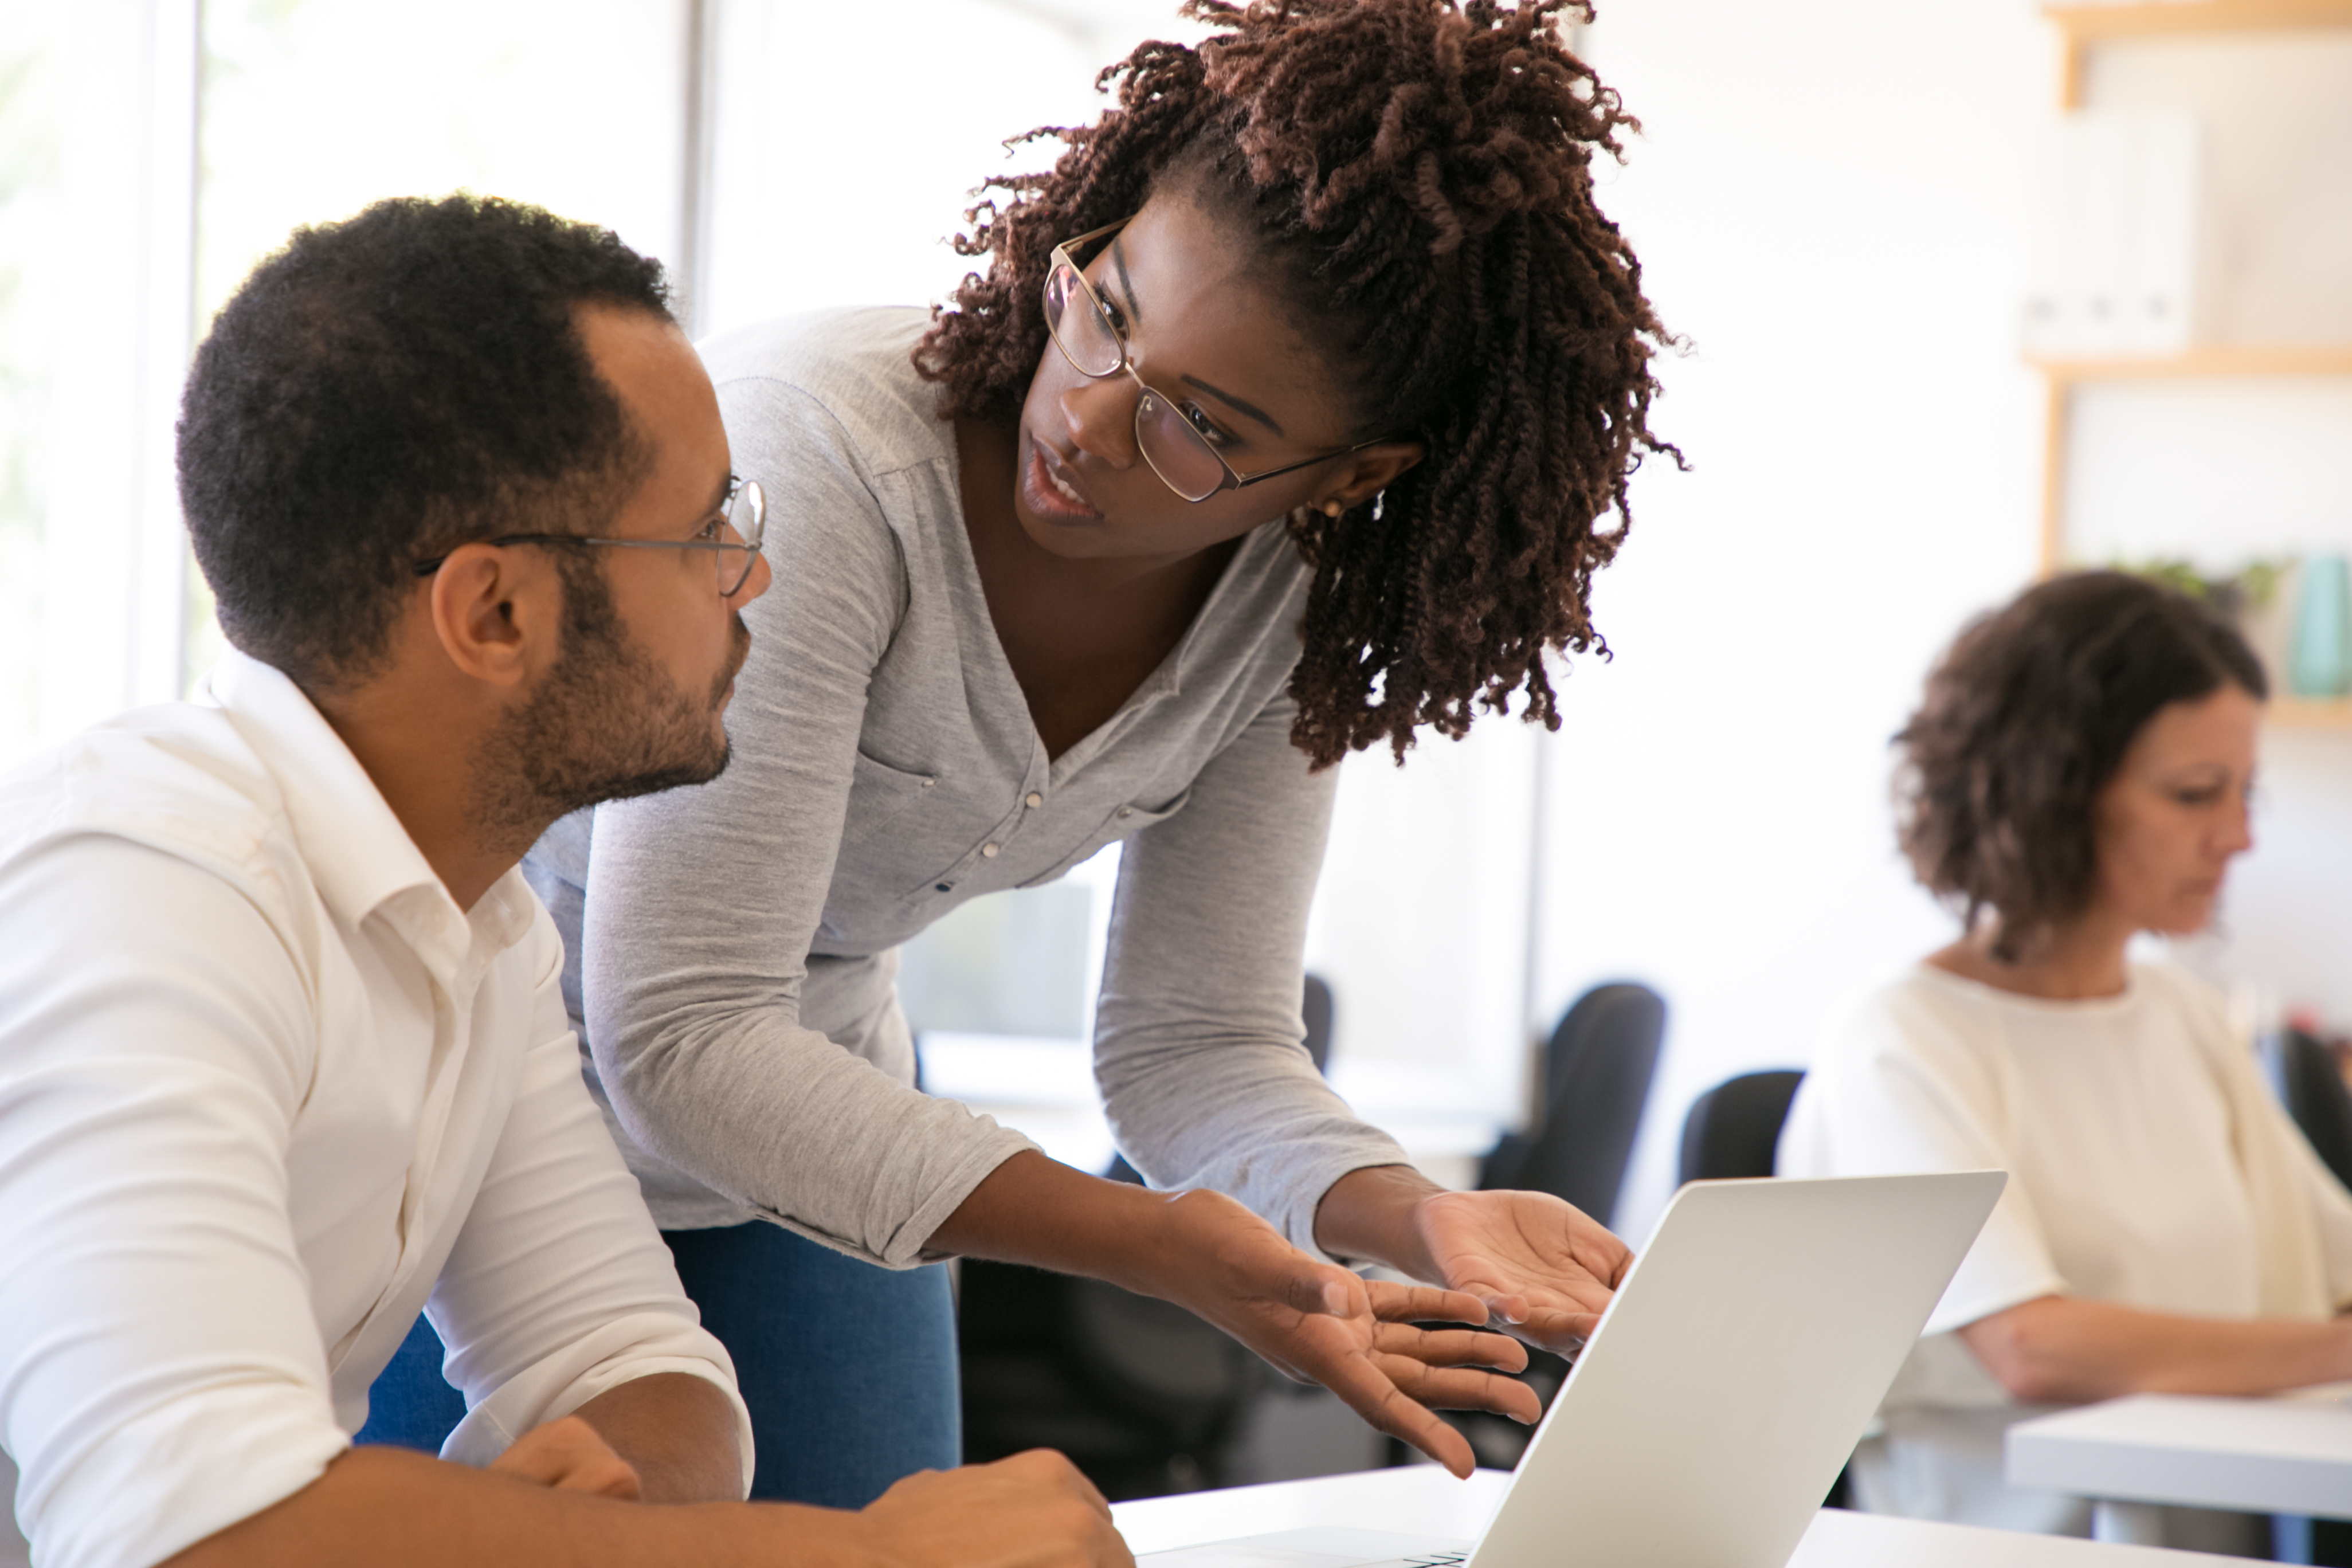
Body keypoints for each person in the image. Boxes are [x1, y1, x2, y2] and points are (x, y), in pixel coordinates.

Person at [463, 0, 1671, 1505]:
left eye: (1203, 426)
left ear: (1355, 477)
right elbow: (680, 1031)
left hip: (813, 1145)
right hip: (485, 1112)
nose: (1092, 417)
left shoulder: (1290, 601)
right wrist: (1156, 1247)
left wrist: (1416, 1214)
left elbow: (1195, 1044)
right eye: (1109, 309)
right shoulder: (823, 465)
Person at [0, 193, 1136, 1568]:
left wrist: (566, 1524)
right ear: (497, 614)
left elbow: (635, 1367)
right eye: (709, 527)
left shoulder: (481, 923)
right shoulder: (145, 882)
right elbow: (194, 1535)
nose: (755, 573)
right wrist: (873, 1557)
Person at [1778, 571, 2352, 1554]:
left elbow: (2332, 1266)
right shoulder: (1904, 1038)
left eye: (2244, 792)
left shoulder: (2178, 1011)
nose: (2240, 837)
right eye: (2194, 794)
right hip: (2011, 1546)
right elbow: (2032, 1348)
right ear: (2052, 792)